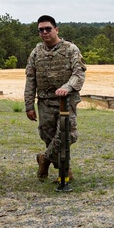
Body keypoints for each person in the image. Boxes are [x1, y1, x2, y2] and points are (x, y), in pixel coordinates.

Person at [24, 15, 86, 180]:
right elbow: (30, 80)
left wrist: (67, 87)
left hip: (66, 101)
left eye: (48, 29)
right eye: (41, 30)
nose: (44, 32)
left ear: (56, 30)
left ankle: (44, 158)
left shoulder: (70, 49)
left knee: (67, 134)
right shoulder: (36, 52)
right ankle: (64, 170)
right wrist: (28, 105)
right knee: (49, 136)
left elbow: (78, 73)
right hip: (45, 102)